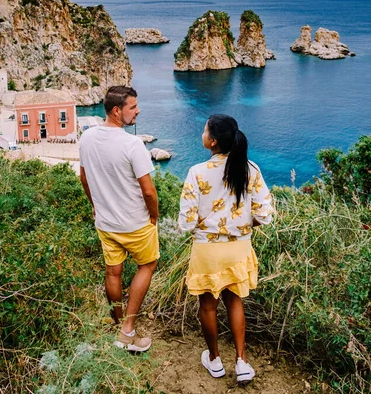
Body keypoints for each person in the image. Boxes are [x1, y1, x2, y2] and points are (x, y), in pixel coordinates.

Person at [178, 114, 274, 384]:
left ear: (212, 142)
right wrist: (244, 225)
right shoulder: (250, 169)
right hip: (238, 248)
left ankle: (215, 360)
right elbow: (265, 213)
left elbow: (185, 222)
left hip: (207, 250)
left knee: (208, 306)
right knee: (235, 300)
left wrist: (203, 226)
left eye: (204, 130)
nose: (202, 133)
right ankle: (242, 362)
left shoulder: (196, 172)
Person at [80, 85, 159, 353]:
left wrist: (95, 206)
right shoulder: (132, 144)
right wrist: (154, 215)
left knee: (113, 271)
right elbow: (148, 190)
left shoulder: (87, 138)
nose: (138, 110)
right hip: (135, 222)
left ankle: (117, 325)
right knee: (147, 265)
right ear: (117, 111)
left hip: (106, 222)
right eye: (133, 107)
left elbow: (84, 178)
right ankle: (128, 330)